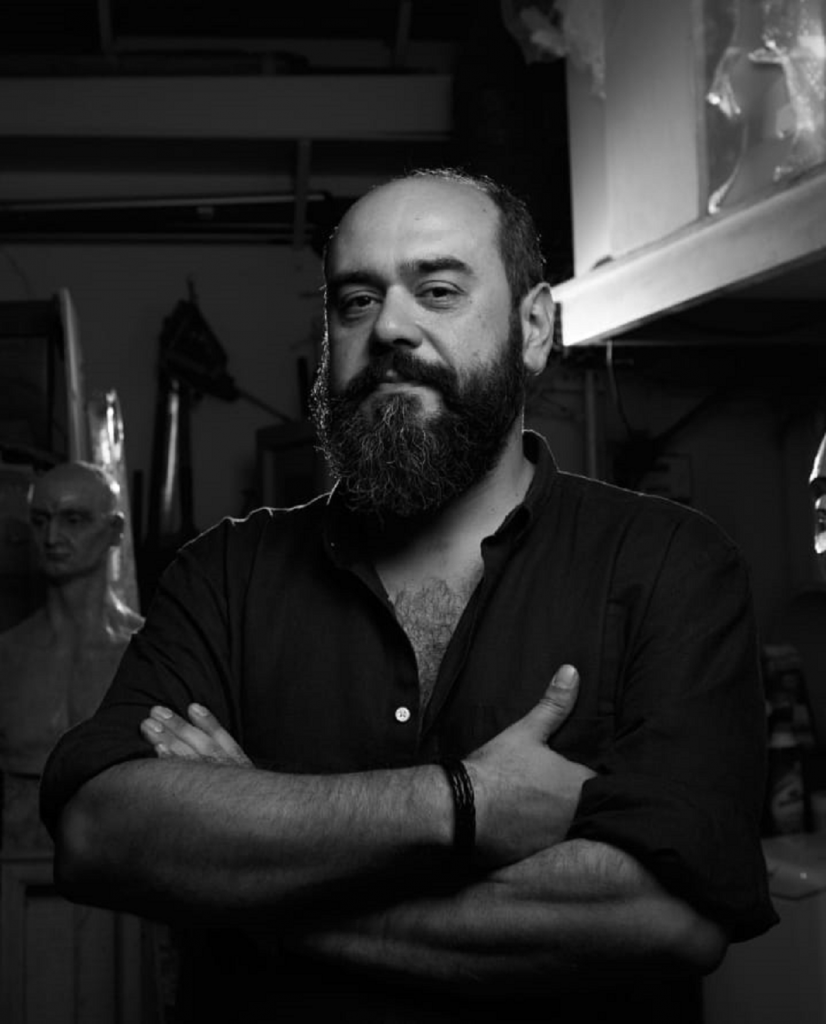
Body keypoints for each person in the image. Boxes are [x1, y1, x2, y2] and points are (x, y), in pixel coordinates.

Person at [40, 169, 776, 1022]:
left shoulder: (671, 565)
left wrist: (253, 888)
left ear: (535, 328)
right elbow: (99, 832)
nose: (389, 326)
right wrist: (468, 801)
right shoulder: (226, 576)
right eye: (356, 301)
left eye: (438, 290)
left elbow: (669, 917)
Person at [0, 460, 143, 847]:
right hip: (19, 867)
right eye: (40, 520)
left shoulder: (148, 651)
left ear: (114, 531)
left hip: (121, 866)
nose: (52, 537)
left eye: (74, 520)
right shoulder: (8, 655)